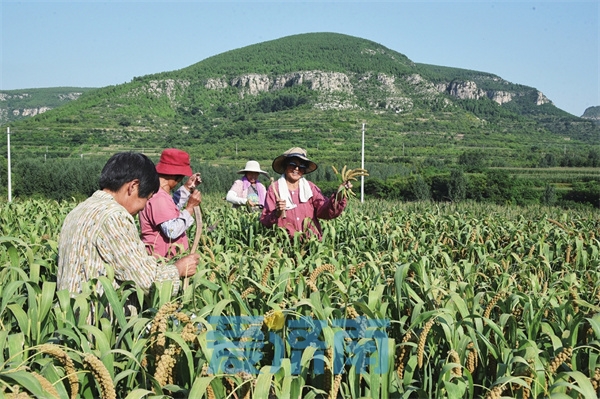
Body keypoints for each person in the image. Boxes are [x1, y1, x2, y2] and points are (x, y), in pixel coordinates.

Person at [57, 152, 199, 297]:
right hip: (96, 316)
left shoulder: (78, 211)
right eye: (147, 198)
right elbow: (146, 282)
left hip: (71, 313)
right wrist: (178, 269)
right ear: (133, 186)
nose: (143, 207)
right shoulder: (114, 217)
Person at [260, 147, 351, 240]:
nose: (296, 168)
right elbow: (265, 221)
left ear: (304, 170)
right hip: (285, 245)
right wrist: (277, 213)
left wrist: (338, 196)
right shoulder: (275, 189)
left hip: (311, 243)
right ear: (285, 165)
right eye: (292, 164)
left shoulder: (310, 188)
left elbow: (324, 212)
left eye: (301, 166)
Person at [139, 148, 202, 259]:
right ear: (174, 176)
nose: (179, 182)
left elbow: (169, 211)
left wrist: (187, 188)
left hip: (165, 260)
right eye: (180, 178)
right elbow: (171, 231)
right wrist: (190, 208)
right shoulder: (159, 197)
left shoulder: (157, 192)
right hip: (162, 261)